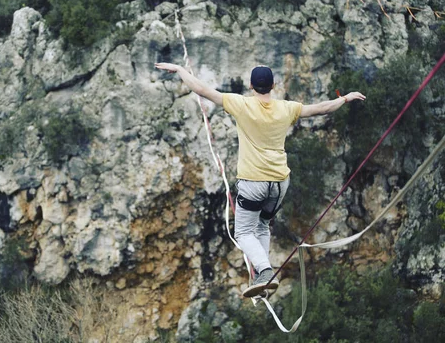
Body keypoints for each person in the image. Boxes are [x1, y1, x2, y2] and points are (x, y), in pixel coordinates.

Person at [154, 62, 366, 298]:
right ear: (273, 86)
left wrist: (181, 70)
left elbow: (202, 89)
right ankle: (262, 279)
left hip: (254, 182)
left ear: (251, 86)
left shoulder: (241, 104)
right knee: (262, 225)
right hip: (279, 183)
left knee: (244, 233)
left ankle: (264, 271)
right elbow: (323, 108)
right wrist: (345, 98)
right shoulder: (287, 108)